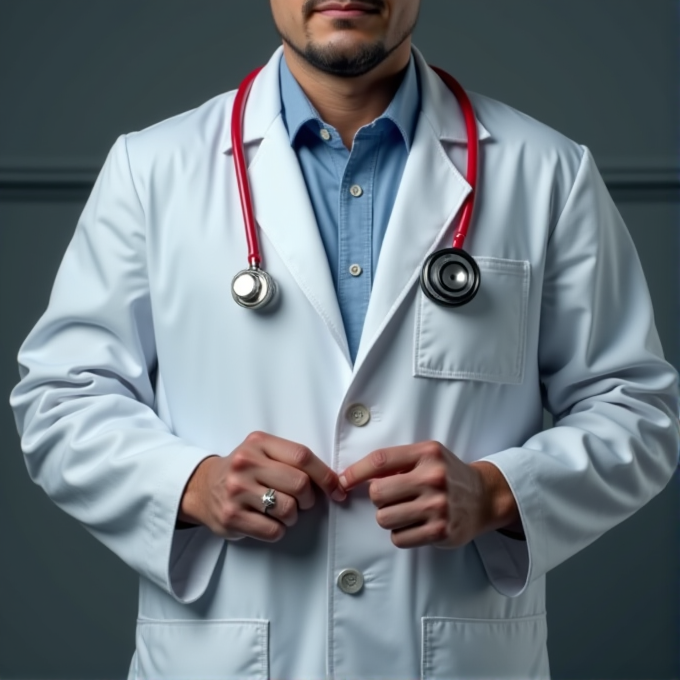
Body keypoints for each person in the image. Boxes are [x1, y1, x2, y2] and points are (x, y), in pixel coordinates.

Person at [10, 1, 680, 678]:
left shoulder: (548, 175)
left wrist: (498, 494)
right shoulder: (151, 170)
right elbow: (61, 398)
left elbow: (638, 410)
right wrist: (192, 485)